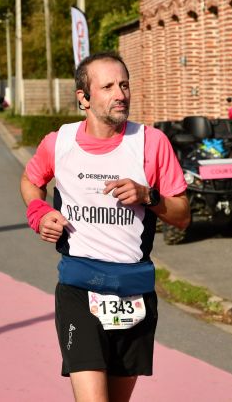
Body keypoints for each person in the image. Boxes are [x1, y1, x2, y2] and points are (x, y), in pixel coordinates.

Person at [21, 52, 190, 402]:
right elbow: (31, 180)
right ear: (83, 98)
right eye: (108, 86)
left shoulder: (151, 142)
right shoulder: (60, 142)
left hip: (134, 292)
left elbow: (182, 215)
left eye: (124, 85)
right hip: (79, 289)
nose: (121, 94)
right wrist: (38, 211)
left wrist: (147, 195)